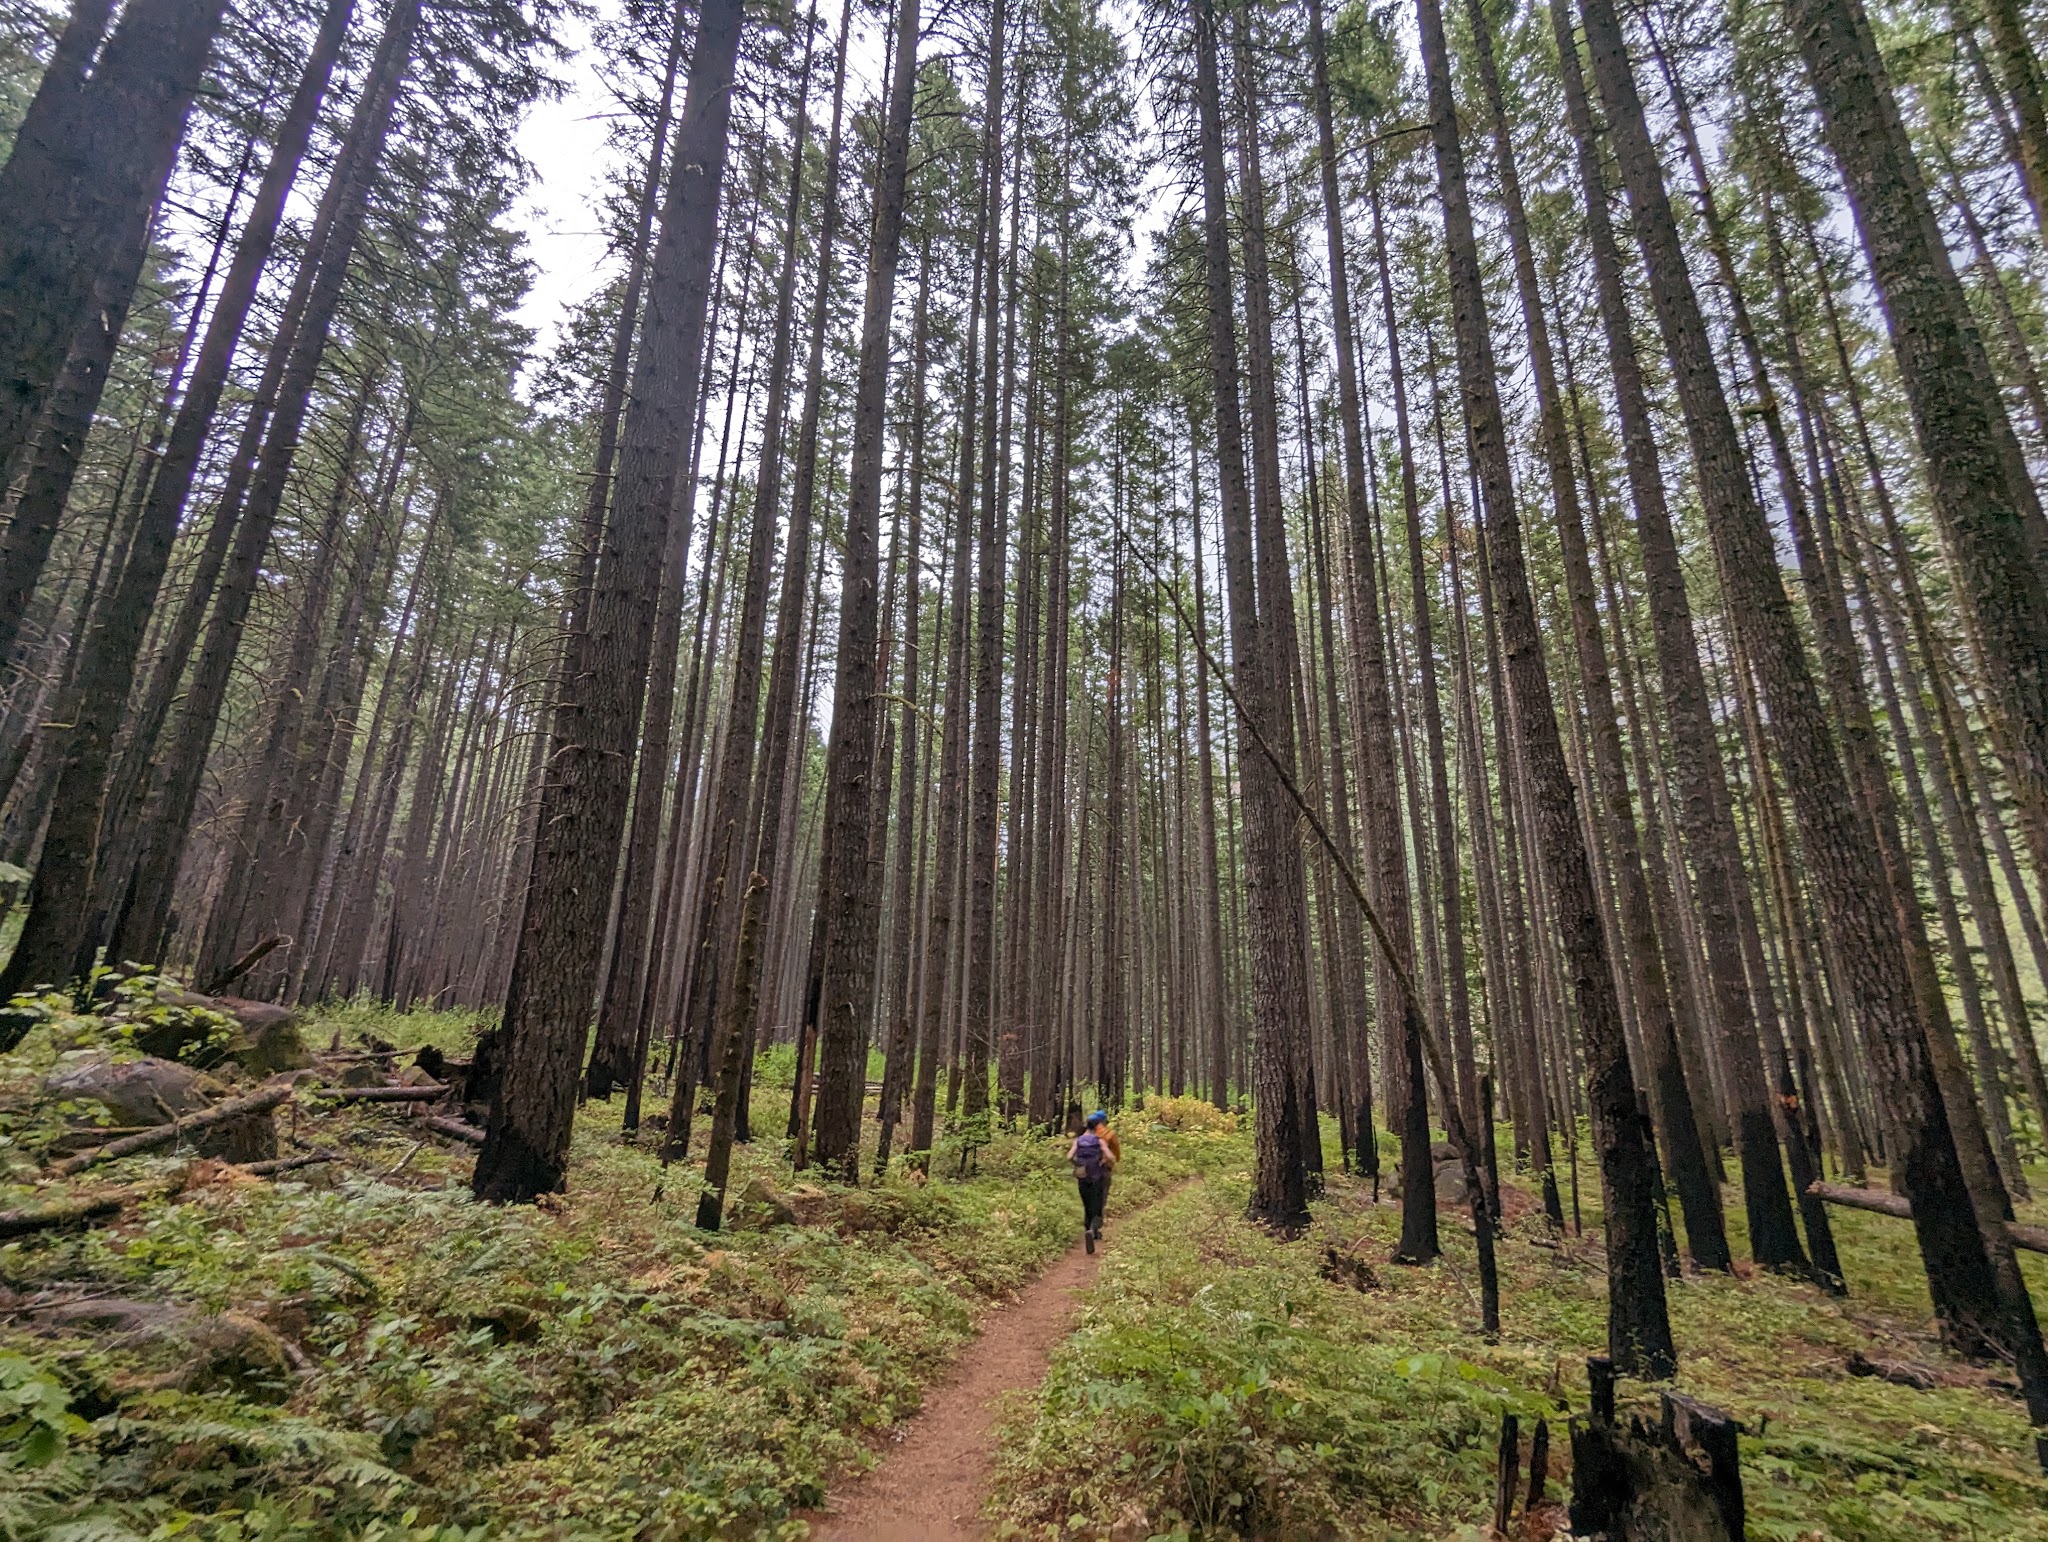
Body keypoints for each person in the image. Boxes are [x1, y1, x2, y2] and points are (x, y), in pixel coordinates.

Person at [1068, 1110, 1119, 1252]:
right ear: (1096, 1127)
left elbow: (1069, 1156)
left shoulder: (1077, 1141)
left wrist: (1078, 1164)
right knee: (1097, 1206)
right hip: (1097, 1176)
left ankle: (1087, 1228)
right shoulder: (1100, 1140)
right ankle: (1093, 1230)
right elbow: (1110, 1156)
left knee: (1087, 1204)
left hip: (1083, 1177)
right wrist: (1103, 1161)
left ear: (1085, 1126)